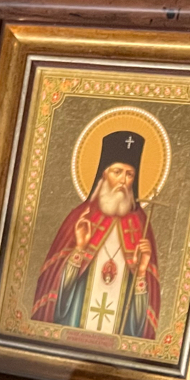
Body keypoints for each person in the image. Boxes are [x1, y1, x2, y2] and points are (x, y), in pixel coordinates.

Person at [31, 130, 160, 339]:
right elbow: (54, 288)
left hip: (117, 338)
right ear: (104, 174)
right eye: (117, 172)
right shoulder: (81, 217)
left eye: (129, 174)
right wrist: (79, 249)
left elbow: (140, 322)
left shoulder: (141, 226)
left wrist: (141, 272)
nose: (123, 180)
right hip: (72, 327)